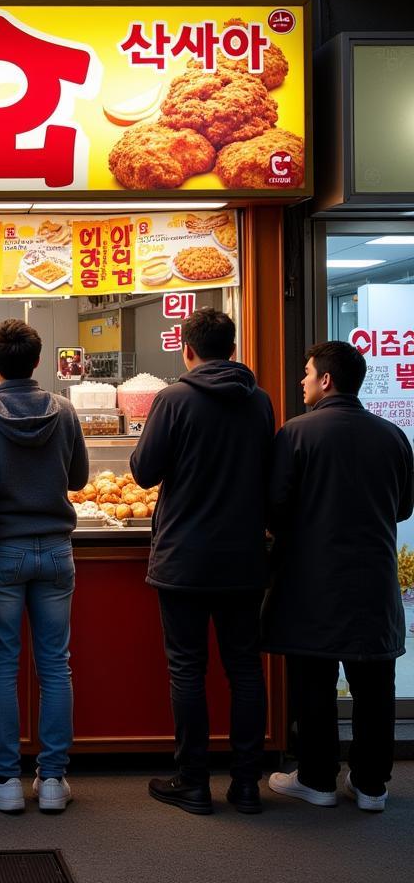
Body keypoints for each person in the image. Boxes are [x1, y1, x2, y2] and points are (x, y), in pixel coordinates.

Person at [129, 308, 274, 816]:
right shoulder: (259, 401)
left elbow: (144, 473)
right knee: (245, 670)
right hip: (244, 557)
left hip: (185, 558)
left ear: (186, 350)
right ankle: (247, 785)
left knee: (187, 670)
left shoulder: (173, 399)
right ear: (232, 348)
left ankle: (192, 782)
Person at [264, 341, 414, 813]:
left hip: (313, 579)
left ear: (326, 380)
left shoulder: (297, 434)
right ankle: (371, 785)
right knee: (375, 686)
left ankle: (318, 779)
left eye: (307, 373)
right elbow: (404, 507)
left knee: (315, 679)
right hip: (373, 578)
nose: (302, 381)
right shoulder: (392, 436)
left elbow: (274, 508)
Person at [0, 319, 88, 814]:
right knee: (56, 664)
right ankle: (53, 781)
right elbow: (77, 477)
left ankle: (7, 780)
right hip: (56, 550)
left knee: (1, 665)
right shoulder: (64, 410)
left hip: (2, 550)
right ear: (37, 361)